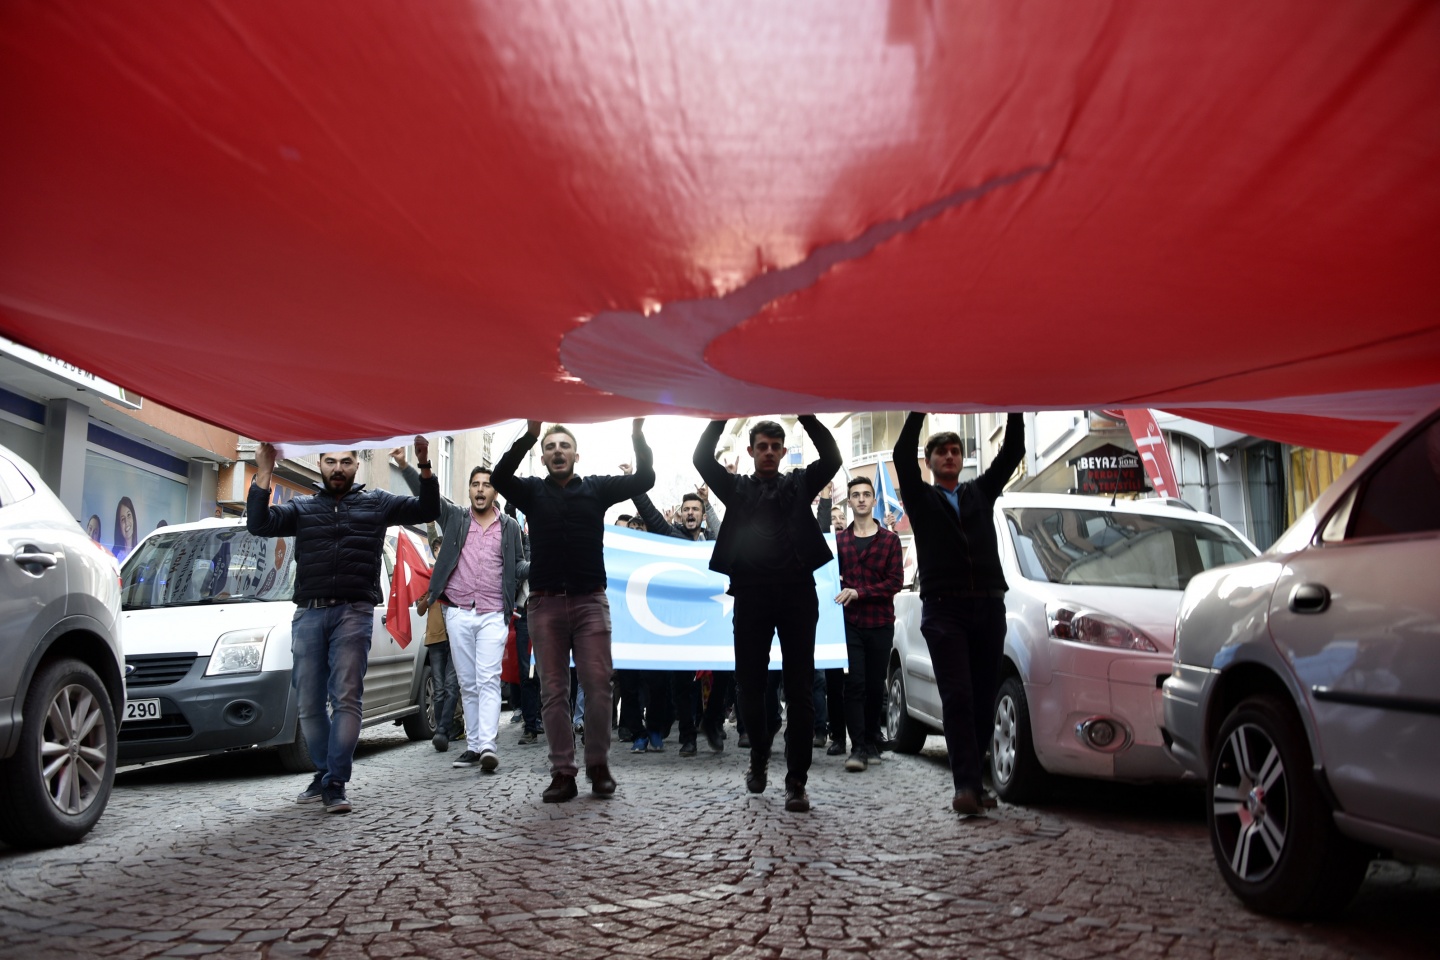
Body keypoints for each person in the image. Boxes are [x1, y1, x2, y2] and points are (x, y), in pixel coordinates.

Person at [247, 440, 439, 814]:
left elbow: (428, 508)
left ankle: (336, 782)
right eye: (331, 461)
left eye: (346, 461)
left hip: (354, 612)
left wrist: (421, 465)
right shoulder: (303, 507)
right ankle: (325, 772)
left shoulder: (377, 503)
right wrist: (265, 470)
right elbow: (259, 524)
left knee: (347, 698)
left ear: (356, 465)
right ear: (320, 464)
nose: (338, 468)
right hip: (309, 613)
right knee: (308, 702)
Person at [490, 419, 655, 803]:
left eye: (564, 446)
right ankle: (563, 772)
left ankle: (598, 765)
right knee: (554, 692)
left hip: (590, 602)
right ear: (543, 457)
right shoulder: (532, 492)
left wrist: (637, 434)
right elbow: (499, 477)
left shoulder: (596, 488)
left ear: (576, 455)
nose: (558, 451)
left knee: (598, 686)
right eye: (550, 447)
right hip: (544, 605)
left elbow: (645, 478)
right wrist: (530, 435)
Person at [695, 416, 841, 813]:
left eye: (776, 447)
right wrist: (720, 417)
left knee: (799, 689)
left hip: (797, 595)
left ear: (783, 451)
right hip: (751, 595)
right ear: (751, 451)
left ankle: (797, 782)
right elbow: (701, 459)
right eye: (763, 446)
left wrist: (806, 415)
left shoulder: (798, 484)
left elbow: (832, 458)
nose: (770, 453)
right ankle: (759, 755)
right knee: (749, 686)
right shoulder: (736, 488)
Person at [894, 412, 1024, 815]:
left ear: (962, 459)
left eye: (954, 451)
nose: (949, 456)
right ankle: (965, 785)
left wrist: (1015, 408)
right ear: (929, 461)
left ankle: (975, 783)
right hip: (943, 609)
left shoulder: (980, 492)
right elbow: (901, 456)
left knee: (984, 698)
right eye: (941, 452)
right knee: (958, 695)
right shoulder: (921, 499)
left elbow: (1013, 451)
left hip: (988, 605)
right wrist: (918, 408)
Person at [398, 454, 528, 773]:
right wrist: (407, 466)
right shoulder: (456, 517)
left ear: (495, 492)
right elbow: (429, 497)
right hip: (457, 612)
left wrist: (539, 565)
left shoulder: (509, 527)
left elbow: (518, 565)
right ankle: (473, 746)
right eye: (475, 484)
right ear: (469, 490)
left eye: (487, 485)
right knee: (468, 683)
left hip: (493, 613)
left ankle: (488, 746)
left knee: (488, 679)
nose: (481, 489)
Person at [629, 486, 721, 756]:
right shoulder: (671, 536)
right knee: (682, 683)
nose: (691, 513)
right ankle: (688, 737)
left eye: (696, 509)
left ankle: (711, 723)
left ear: (702, 515)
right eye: (686, 509)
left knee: (723, 676)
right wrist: (634, 482)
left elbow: (724, 532)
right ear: (681, 515)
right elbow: (650, 514)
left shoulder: (712, 540)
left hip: (710, 622)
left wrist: (709, 503)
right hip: (680, 623)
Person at [833, 475, 904, 773]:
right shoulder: (838, 542)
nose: (861, 499)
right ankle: (858, 747)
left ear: (874, 500)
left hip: (880, 623)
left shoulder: (890, 540)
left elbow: (895, 582)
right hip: (849, 624)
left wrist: (859, 592)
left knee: (875, 686)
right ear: (849, 502)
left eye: (866, 494)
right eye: (856, 495)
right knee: (855, 684)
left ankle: (872, 739)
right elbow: (828, 579)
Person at [414, 537, 461, 754]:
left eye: (442, 548)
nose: (439, 552)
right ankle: (442, 730)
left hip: (454, 637)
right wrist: (431, 596)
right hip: (435, 638)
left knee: (452, 685)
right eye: (436, 549)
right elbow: (420, 609)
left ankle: (447, 728)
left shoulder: (455, 574)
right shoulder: (429, 576)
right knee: (439, 688)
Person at [113, 496, 138, 561]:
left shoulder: (140, 553)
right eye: (123, 519)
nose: (127, 523)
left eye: (129, 515)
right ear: (119, 526)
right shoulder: (114, 557)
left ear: (133, 518)